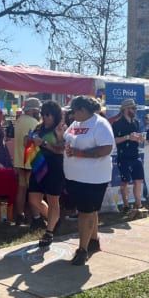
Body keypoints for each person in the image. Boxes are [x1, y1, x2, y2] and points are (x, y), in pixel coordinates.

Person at [63, 96, 115, 266]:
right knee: (89, 210)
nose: (72, 114)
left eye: (74, 110)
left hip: (93, 177)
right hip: (75, 176)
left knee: (85, 212)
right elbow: (66, 138)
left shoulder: (99, 124)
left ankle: (82, 250)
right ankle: (93, 241)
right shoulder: (76, 124)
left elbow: (107, 148)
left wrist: (80, 153)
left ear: (83, 110)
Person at [28, 101, 67, 247]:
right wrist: (29, 140)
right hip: (38, 165)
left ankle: (49, 231)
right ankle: (53, 220)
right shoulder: (39, 127)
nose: (45, 117)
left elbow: (61, 149)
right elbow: (33, 143)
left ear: (55, 115)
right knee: (33, 199)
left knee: (53, 200)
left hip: (54, 167)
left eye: (48, 114)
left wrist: (43, 143)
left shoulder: (61, 128)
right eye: (42, 114)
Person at [112, 98, 146, 216]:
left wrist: (140, 138)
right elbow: (114, 140)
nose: (135, 110)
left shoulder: (135, 122)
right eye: (133, 108)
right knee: (125, 182)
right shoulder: (117, 123)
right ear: (125, 109)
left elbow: (137, 137)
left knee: (139, 180)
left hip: (135, 155)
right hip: (124, 157)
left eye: (135, 108)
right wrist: (127, 137)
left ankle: (138, 205)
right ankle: (126, 205)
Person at [13, 98, 42, 227]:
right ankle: (36, 217)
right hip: (31, 160)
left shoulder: (19, 121)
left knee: (22, 189)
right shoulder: (34, 122)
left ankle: (20, 216)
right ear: (32, 109)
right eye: (36, 109)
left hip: (20, 160)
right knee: (34, 191)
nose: (38, 111)